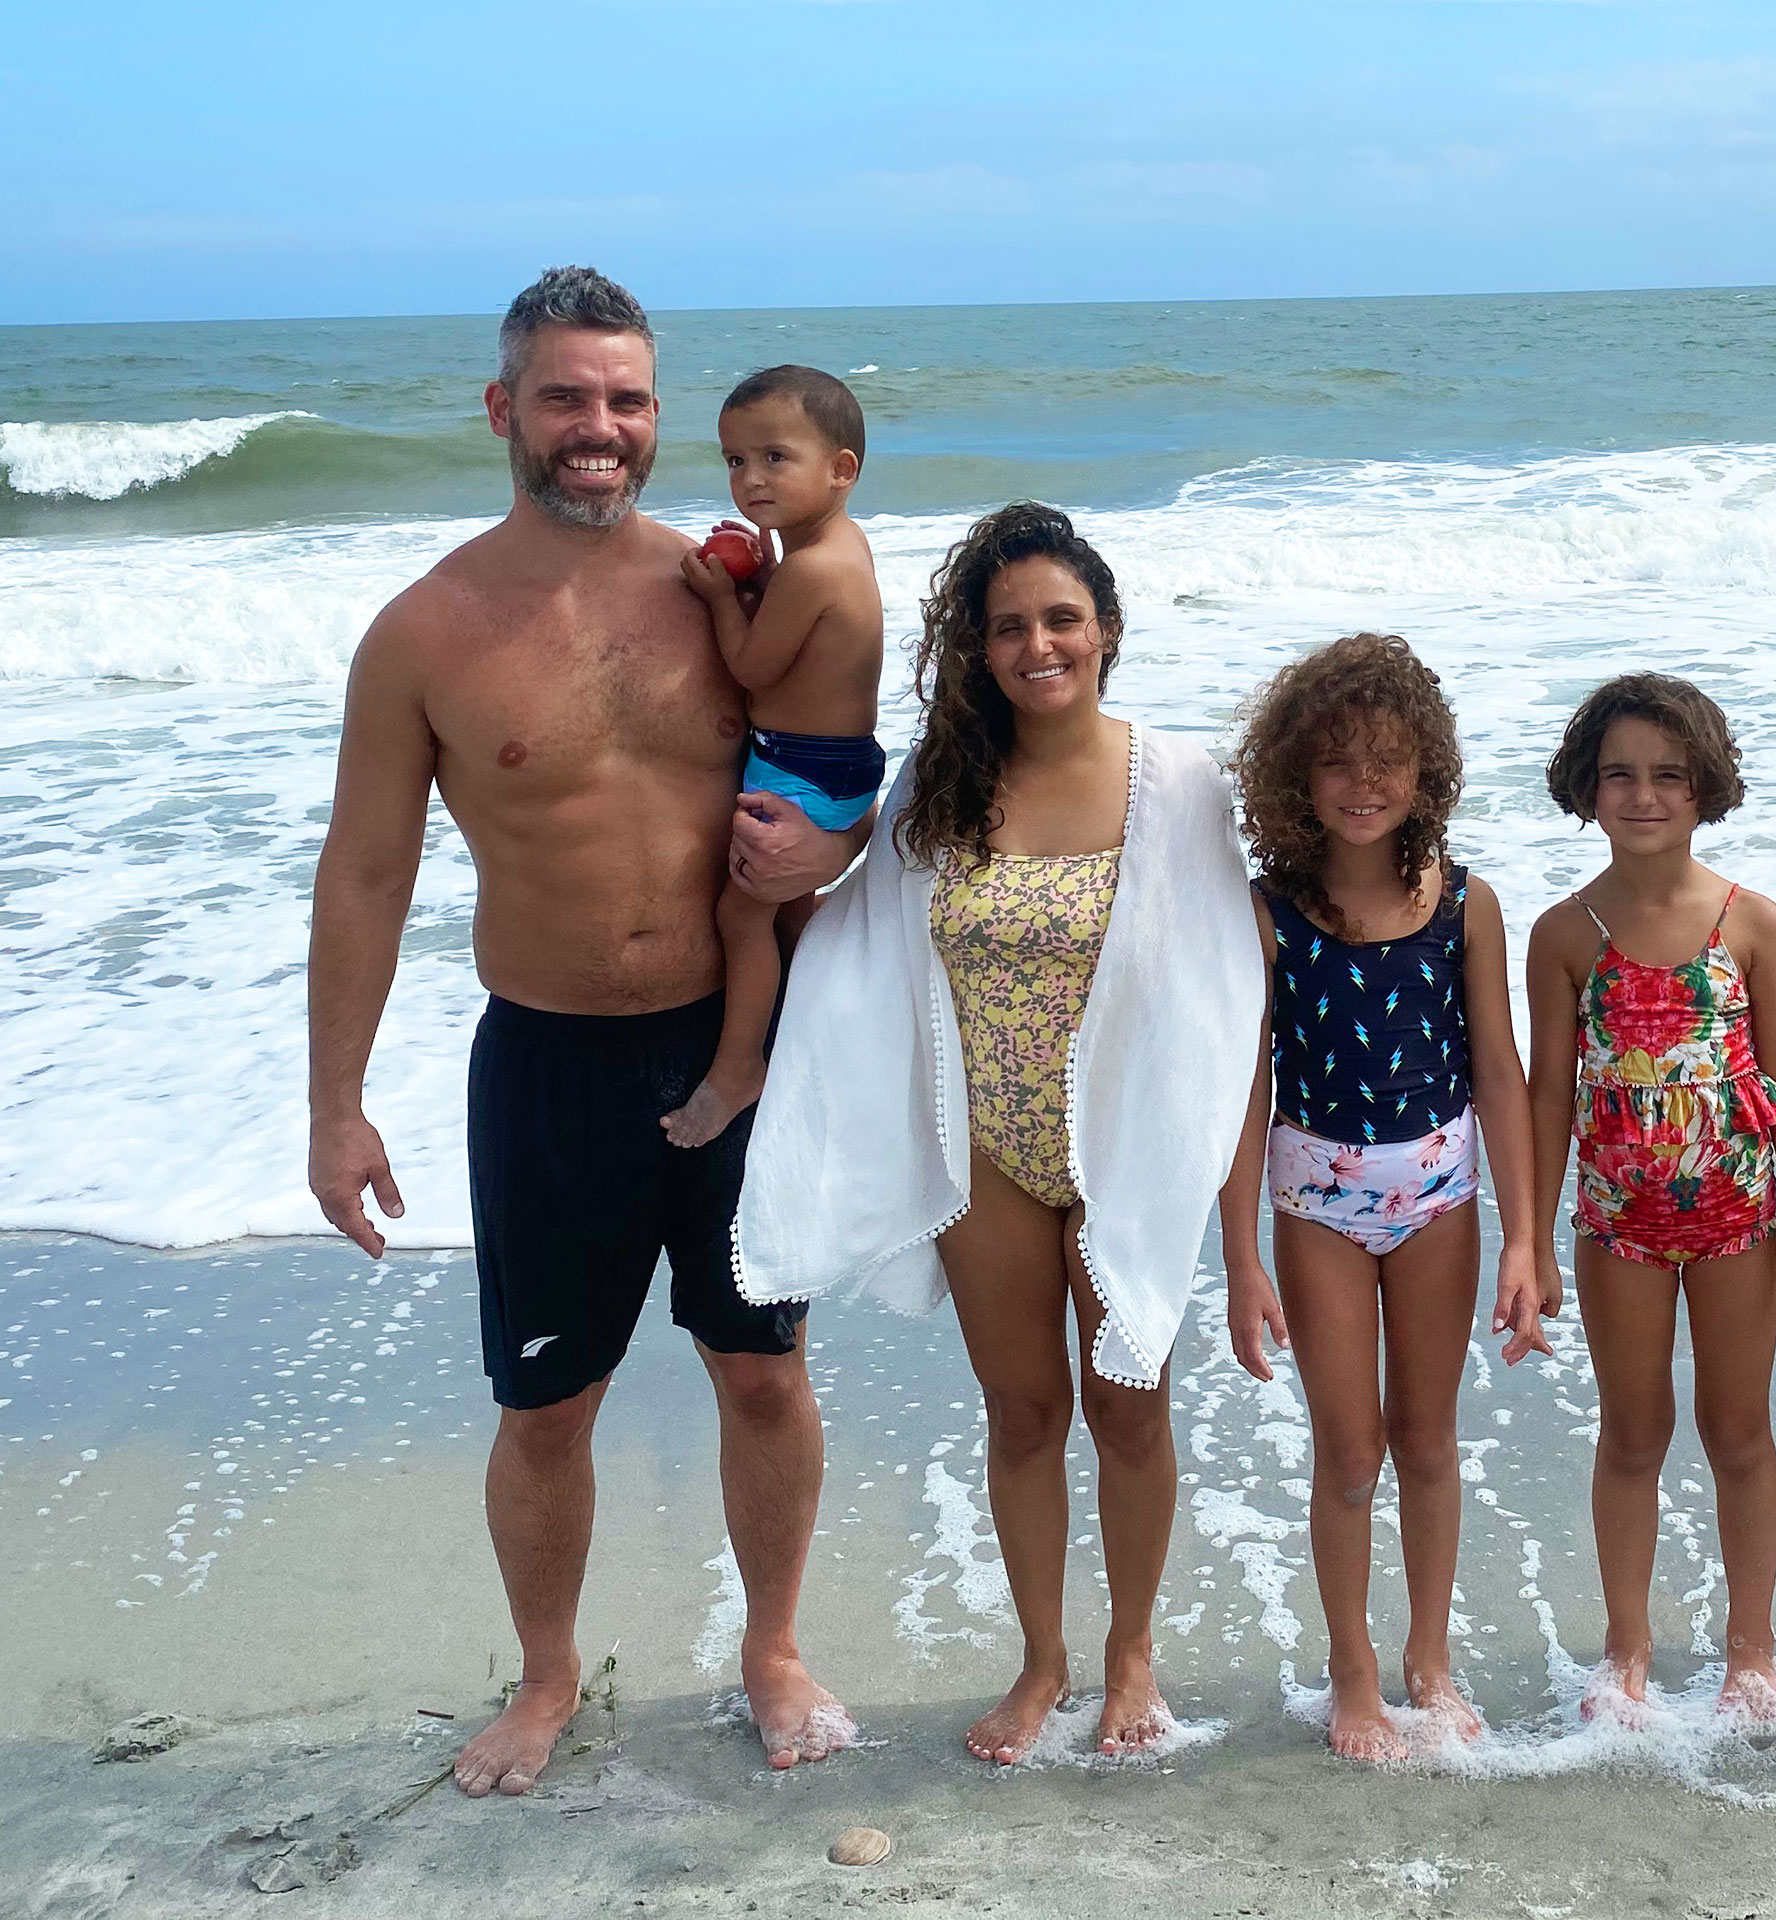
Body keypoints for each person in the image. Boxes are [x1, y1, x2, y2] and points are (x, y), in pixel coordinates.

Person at [305, 267, 850, 1797]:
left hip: (737, 1046)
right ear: (503, 412)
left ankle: (775, 1650)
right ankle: (547, 1681)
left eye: (625, 400)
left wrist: (836, 856)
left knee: (764, 1374)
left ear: (657, 418)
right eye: (564, 396)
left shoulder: (733, 595)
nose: (597, 428)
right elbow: (363, 872)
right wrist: (333, 1105)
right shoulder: (425, 631)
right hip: (546, 1065)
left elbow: (837, 779)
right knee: (547, 1407)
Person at [732, 502, 1264, 1762]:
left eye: (1062, 618)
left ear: (1108, 630)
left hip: (1126, 1148)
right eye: (1010, 624)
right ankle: (1042, 1664)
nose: (1039, 643)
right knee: (1021, 1415)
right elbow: (865, 937)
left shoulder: (1179, 785)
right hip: (985, 1150)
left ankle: (1132, 1659)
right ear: (980, 646)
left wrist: (1240, 1245)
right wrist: (785, 867)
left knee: (1130, 1407)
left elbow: (1230, 1008)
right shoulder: (944, 781)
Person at [1219, 633, 1549, 1763]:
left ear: (1427, 774)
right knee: (1349, 1453)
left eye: (1389, 761)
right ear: (1295, 779)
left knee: (1429, 1441)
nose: (1365, 784)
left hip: (1444, 1199)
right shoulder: (1268, 914)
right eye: (1338, 761)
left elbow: (1501, 1074)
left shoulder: (1465, 902)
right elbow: (1244, 1091)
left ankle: (1430, 1658)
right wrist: (1242, 1261)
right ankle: (1352, 1670)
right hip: (1314, 1204)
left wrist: (1525, 1241)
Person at [1522, 673, 1776, 1724]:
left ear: (1706, 787)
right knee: (1631, 1433)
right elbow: (1543, 1100)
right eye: (1619, 775)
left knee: (1739, 1431)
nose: (1645, 795)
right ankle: (1626, 1649)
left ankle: (1750, 1652)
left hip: (1738, 1221)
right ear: (1587, 789)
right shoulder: (1564, 933)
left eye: (1670, 775)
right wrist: (1528, 1237)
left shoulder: (1751, 923)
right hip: (1616, 1226)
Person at [661, 366, 885, 1149]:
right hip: (834, 762)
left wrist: (724, 600)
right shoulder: (834, 547)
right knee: (789, 908)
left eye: (774, 458)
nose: (750, 479)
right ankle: (811, 1038)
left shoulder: (815, 567)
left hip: (803, 770)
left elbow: (755, 668)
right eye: (733, 461)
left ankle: (736, 1070)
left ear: (841, 469)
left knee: (739, 911)